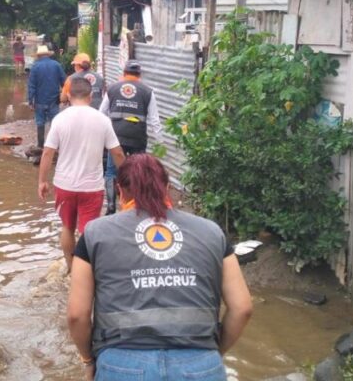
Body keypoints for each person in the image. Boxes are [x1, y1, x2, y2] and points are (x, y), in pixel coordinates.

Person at [67, 154, 253, 381]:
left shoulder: (95, 233)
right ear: (166, 187)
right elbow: (242, 308)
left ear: (120, 190)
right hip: (201, 364)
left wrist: (89, 361)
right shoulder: (212, 232)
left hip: (122, 365)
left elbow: (77, 315)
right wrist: (212, 354)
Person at [38, 77, 126, 272]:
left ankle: (70, 268)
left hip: (64, 185)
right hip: (92, 187)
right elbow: (117, 153)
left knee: (67, 227)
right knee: (88, 231)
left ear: (68, 95)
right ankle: (85, 271)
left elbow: (47, 152)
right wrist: (127, 181)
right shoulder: (102, 120)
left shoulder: (60, 119)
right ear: (91, 95)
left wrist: (42, 181)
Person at [99, 61, 161, 214]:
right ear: (139, 75)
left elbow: (101, 112)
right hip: (137, 137)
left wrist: (103, 134)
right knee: (137, 170)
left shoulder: (112, 88)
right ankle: (137, 205)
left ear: (124, 73)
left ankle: (111, 206)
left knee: (111, 172)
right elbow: (154, 119)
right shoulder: (147, 91)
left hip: (116, 136)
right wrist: (160, 142)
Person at [26, 44, 66, 149]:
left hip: (39, 100)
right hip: (54, 100)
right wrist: (65, 97)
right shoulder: (57, 65)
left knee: (40, 122)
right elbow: (64, 82)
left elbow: (31, 86)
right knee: (55, 122)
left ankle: (40, 146)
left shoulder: (35, 67)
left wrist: (30, 101)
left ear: (38, 56)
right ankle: (55, 145)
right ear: (48, 55)